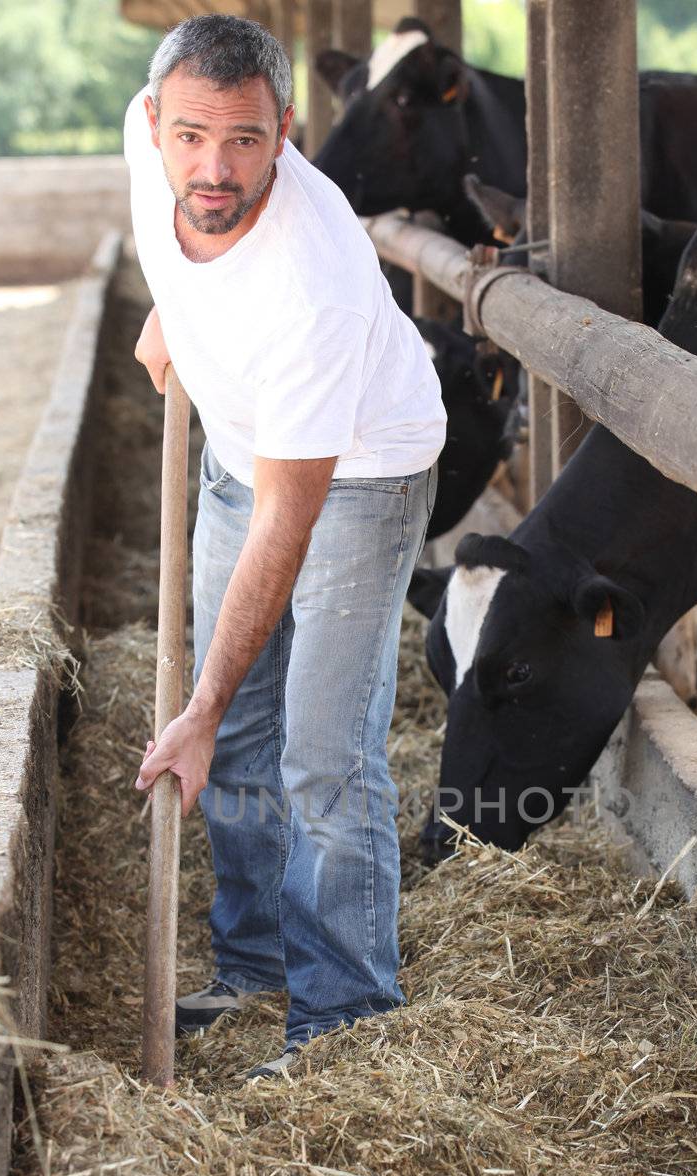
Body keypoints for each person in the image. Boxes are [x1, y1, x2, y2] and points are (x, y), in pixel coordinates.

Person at [128, 15, 445, 1080]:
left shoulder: (310, 279)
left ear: (287, 131)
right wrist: (178, 306)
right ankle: (255, 959)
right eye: (189, 138)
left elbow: (288, 517)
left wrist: (200, 704)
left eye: (246, 143)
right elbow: (184, 225)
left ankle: (341, 1017)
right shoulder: (154, 151)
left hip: (354, 471)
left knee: (319, 744)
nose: (211, 170)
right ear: (151, 122)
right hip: (239, 441)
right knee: (241, 718)